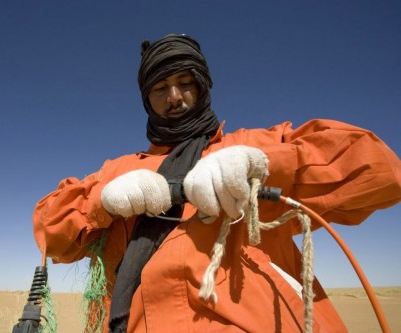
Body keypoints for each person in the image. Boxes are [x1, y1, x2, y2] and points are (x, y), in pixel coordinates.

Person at [33, 34, 401, 332]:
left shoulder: (253, 146)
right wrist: (103, 202)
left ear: (202, 85)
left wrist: (264, 167)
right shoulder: (120, 170)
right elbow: (49, 234)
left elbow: (382, 172)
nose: (174, 97)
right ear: (147, 98)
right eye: (160, 87)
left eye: (184, 82)